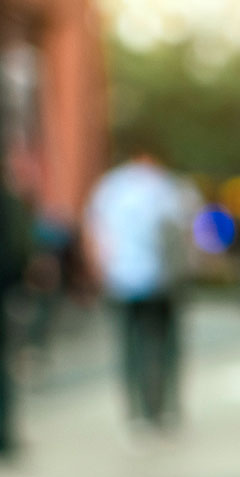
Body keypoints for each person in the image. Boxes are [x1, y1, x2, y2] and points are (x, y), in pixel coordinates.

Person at [84, 148, 196, 431]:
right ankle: (163, 408)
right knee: (164, 346)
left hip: (122, 279)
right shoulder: (169, 186)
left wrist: (100, 270)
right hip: (162, 281)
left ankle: (136, 413)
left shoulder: (111, 186)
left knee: (129, 348)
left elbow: (93, 230)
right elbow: (187, 233)